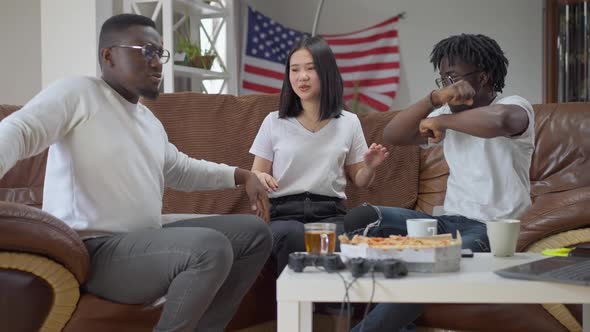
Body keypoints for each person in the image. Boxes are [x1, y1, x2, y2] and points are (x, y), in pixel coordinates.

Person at [0, 14, 272, 332]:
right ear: (108, 56)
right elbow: (19, 129)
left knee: (254, 234)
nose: (156, 62)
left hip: (145, 239)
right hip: (96, 251)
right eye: (145, 51)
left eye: (160, 53)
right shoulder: (79, 92)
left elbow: (180, 169)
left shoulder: (146, 119)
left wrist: (242, 175)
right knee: (209, 248)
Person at [346, 33, 535, 331]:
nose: (447, 86)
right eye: (443, 78)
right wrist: (434, 101)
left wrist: (442, 121)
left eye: (452, 77)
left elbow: (499, 122)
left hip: (493, 229)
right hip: (446, 224)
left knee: (435, 265)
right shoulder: (446, 112)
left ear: (483, 77)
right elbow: (393, 135)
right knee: (362, 219)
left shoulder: (515, 106)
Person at [249, 36, 389, 275]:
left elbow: (361, 179)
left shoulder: (349, 122)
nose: (301, 77)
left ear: (326, 73)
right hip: (283, 213)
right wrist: (260, 178)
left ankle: (332, 308)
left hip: (330, 212)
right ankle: (294, 307)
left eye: (310, 69)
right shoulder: (274, 122)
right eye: (295, 70)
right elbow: (255, 173)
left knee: (336, 237)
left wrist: (371, 167)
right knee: (292, 235)